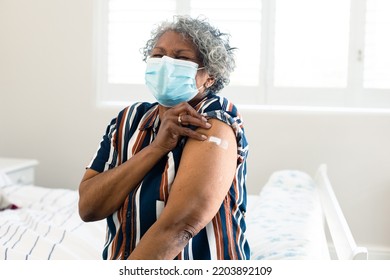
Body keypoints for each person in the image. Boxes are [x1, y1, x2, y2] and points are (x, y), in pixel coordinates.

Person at [78, 15, 249, 260]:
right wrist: (156, 148)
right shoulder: (128, 119)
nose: (166, 64)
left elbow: (180, 227)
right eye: (158, 55)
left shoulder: (214, 121)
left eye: (181, 58)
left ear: (209, 76)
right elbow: (89, 208)